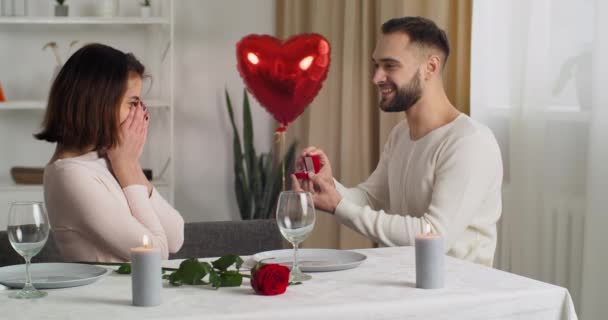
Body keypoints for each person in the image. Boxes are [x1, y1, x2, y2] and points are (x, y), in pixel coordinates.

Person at [292, 17, 503, 267]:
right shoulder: (401, 133)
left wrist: (339, 206)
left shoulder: (470, 142)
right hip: (405, 282)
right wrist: (328, 185)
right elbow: (370, 199)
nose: (377, 77)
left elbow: (434, 235)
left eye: (390, 66)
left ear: (430, 67)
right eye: (377, 65)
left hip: (459, 293)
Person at [35, 43, 184, 262]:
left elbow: (175, 237)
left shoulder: (111, 158)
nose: (140, 113)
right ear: (99, 104)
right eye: (133, 103)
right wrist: (127, 166)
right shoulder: (70, 175)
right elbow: (156, 254)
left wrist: (129, 166)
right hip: (107, 296)